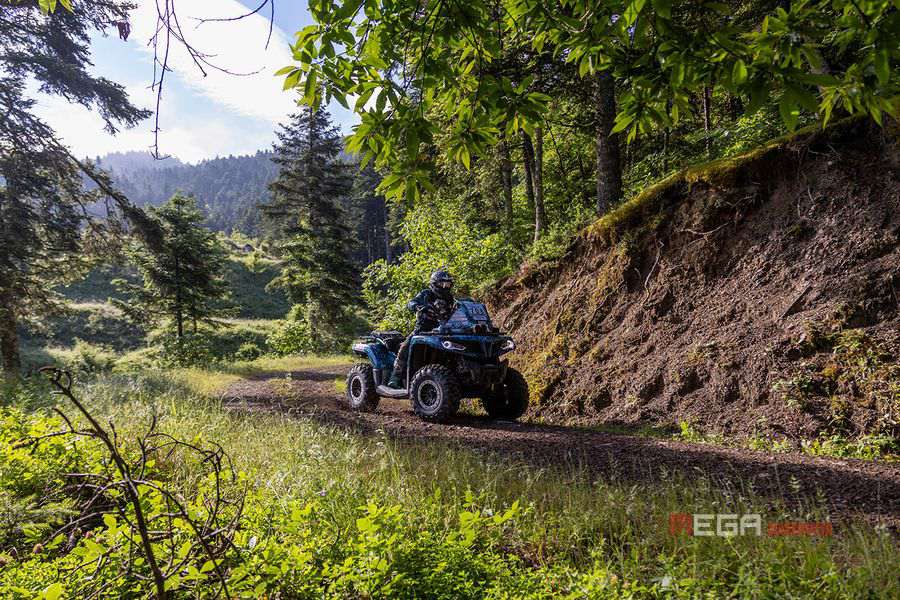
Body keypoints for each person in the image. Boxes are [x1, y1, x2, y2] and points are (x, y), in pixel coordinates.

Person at [388, 268, 455, 388]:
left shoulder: (449, 298)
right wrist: (417, 306)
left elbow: (458, 308)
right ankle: (395, 377)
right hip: (422, 330)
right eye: (442, 284)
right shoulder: (426, 294)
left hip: (443, 331)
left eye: (448, 284)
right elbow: (411, 303)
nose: (445, 287)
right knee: (405, 347)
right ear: (434, 284)